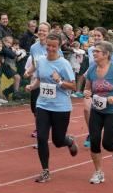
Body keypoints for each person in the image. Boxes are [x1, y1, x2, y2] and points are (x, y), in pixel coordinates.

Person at [25, 33, 78, 183]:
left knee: (57, 140)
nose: (50, 48)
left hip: (61, 107)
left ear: (59, 46)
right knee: (41, 138)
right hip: (43, 104)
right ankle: (45, 171)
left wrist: (59, 81)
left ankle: (69, 141)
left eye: (54, 46)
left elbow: (73, 86)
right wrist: (32, 86)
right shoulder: (41, 61)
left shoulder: (64, 64)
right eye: (48, 45)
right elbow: (40, 79)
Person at [84, 41, 113, 184]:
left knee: (107, 143)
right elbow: (87, 89)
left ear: (106, 54)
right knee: (94, 140)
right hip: (96, 110)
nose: (94, 54)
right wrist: (87, 93)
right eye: (93, 52)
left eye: (97, 52)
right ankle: (98, 172)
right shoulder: (92, 70)